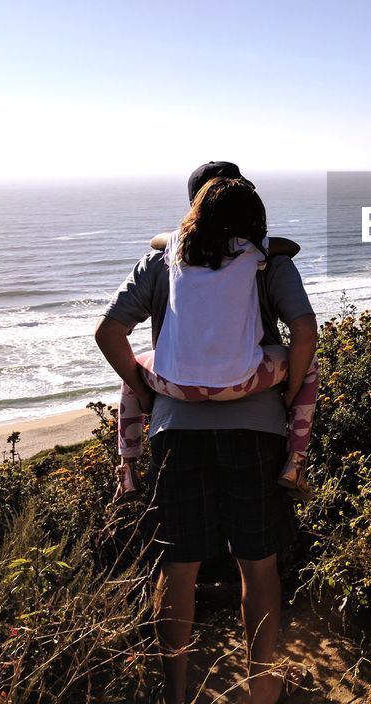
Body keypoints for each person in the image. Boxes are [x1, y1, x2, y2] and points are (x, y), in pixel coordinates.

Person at [95, 161, 317, 704]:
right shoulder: (269, 262)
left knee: (179, 564)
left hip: (176, 429)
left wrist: (145, 390)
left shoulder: (161, 259)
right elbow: (306, 331)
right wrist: (288, 395)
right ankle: (262, 691)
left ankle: (176, 694)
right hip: (256, 427)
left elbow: (108, 332)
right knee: (256, 563)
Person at [113, 176, 313, 502]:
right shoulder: (255, 252)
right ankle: (296, 462)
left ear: (195, 208)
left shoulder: (173, 250)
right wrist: (290, 395)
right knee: (310, 362)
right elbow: (292, 250)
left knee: (131, 365)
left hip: (175, 391)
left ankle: (127, 467)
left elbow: (154, 242)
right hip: (243, 385)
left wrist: (146, 396)